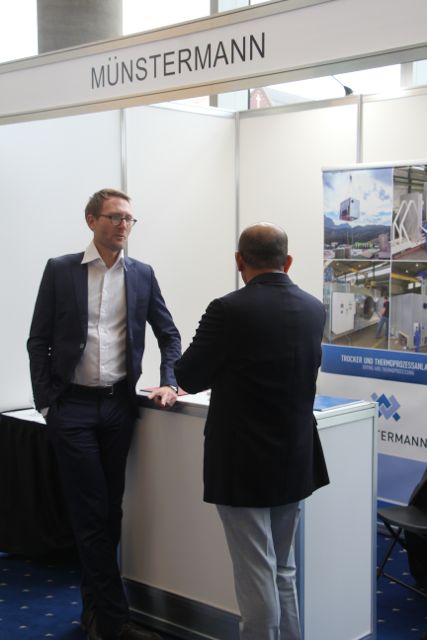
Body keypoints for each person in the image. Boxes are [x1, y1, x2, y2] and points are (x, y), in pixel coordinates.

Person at [27, 188, 181, 640]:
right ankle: (115, 622)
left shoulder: (142, 274)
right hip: (71, 407)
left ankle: (94, 612)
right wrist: (46, 402)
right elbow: (39, 340)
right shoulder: (61, 270)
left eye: (129, 219)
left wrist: (169, 379)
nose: (123, 225)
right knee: (93, 511)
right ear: (92, 220)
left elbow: (168, 334)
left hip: (118, 406)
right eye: (114, 217)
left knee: (109, 512)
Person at [174, 223, 329, 640]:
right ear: (288, 261)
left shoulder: (228, 309)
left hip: (242, 460)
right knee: (283, 568)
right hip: (295, 455)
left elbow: (188, 375)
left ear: (238, 261)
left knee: (255, 571)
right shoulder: (314, 308)